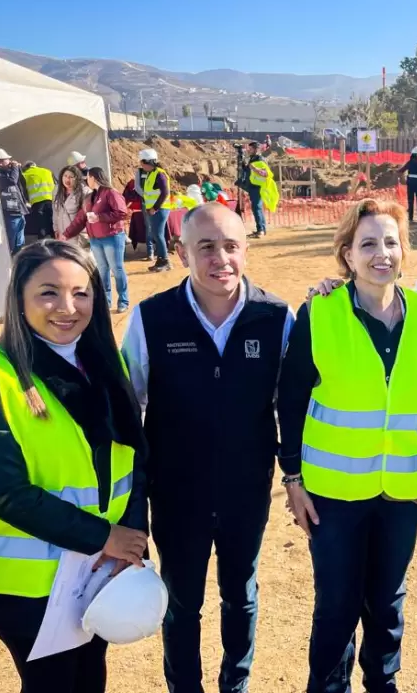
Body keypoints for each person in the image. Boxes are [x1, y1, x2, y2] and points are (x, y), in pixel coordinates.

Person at [0, 239, 149, 693]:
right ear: (19, 300)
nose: (68, 307)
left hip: (96, 571)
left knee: (89, 678)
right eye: (48, 292)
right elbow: (4, 491)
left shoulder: (102, 362)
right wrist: (106, 537)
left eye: (81, 293)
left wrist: (132, 541)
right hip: (29, 584)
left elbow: (133, 458)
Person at [122, 202, 294, 693]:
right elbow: (127, 409)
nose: (221, 258)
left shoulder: (276, 318)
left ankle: (234, 684)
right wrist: (132, 498)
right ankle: (185, 687)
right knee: (182, 602)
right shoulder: (151, 319)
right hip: (177, 496)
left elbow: (296, 404)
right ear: (181, 254)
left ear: (246, 250)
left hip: (246, 492)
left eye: (231, 246)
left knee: (240, 595)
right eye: (206, 247)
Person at [278, 198, 417, 693]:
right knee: (338, 602)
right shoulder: (319, 312)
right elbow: (290, 399)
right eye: (367, 243)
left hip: (404, 492)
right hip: (334, 493)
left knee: (387, 600)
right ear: (346, 255)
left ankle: (381, 683)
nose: (381, 253)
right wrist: (292, 480)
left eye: (391, 242)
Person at [62, 167, 130, 314]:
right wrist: (66, 234)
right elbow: (80, 219)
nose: (87, 180)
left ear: (94, 178)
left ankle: (123, 300)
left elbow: (121, 212)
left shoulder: (111, 193)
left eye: (88, 178)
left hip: (112, 237)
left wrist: (100, 218)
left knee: (116, 269)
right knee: (102, 270)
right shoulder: (89, 198)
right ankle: (106, 300)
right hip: (95, 240)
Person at [137, 148, 173, 272]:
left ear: (148, 162)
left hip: (160, 209)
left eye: (142, 162)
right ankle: (161, 260)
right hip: (154, 210)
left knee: (158, 234)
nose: (141, 165)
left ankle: (165, 261)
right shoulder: (152, 173)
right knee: (157, 235)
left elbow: (165, 193)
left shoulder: (159, 174)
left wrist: (155, 208)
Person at [0, 148, 29, 254]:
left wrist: (17, 169)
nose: (9, 162)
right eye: (6, 160)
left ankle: (17, 256)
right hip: (10, 213)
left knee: (20, 241)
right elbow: (12, 181)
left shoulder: (10, 172)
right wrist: (14, 168)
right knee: (11, 240)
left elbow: (20, 183)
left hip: (18, 210)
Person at [53, 165, 92, 250]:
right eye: (65, 176)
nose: (67, 179)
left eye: (71, 177)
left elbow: (85, 216)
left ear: (77, 178)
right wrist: (56, 229)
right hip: (62, 234)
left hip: (78, 235)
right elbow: (55, 212)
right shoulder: (57, 191)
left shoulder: (85, 192)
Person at [241, 141, 269, 238]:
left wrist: (254, 169)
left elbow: (266, 174)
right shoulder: (252, 159)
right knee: (257, 208)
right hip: (252, 186)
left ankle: (260, 230)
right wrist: (244, 164)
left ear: (256, 149)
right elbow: (247, 170)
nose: (249, 150)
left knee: (256, 208)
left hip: (257, 187)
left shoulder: (260, 159)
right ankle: (261, 229)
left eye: (251, 149)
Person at [21, 161, 56, 239]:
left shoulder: (25, 174)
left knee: (41, 225)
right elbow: (55, 184)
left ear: (26, 168)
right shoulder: (47, 171)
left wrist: (26, 202)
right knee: (53, 223)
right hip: (51, 201)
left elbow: (23, 191)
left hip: (37, 203)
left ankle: (42, 245)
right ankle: (57, 244)